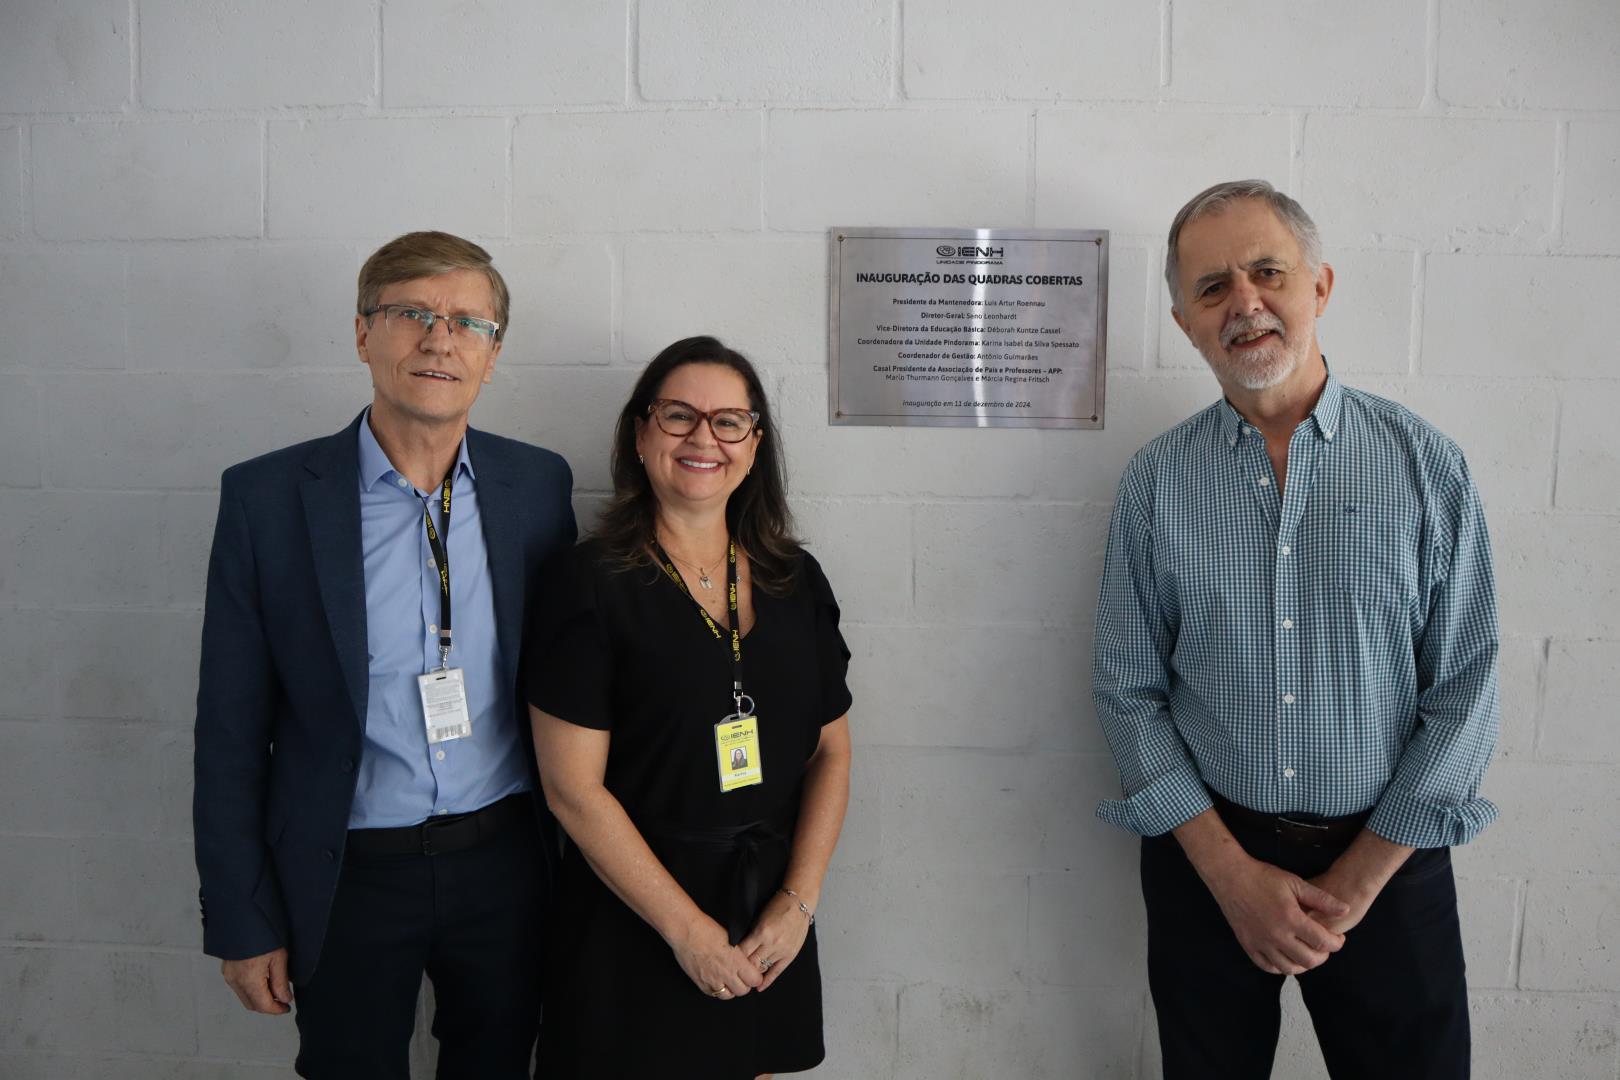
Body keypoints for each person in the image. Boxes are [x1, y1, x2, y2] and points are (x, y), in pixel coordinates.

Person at [1092, 180, 1499, 1078]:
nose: (1244, 302)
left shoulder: (1425, 466)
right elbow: (1126, 689)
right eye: (1211, 288)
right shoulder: (1158, 483)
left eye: (1267, 271)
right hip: (1210, 865)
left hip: (1389, 864)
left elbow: (1467, 689)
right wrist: (1233, 878)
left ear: (1319, 286)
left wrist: (1355, 885)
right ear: (1186, 322)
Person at [193, 231, 576, 1078]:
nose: (440, 338)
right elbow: (227, 729)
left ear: (493, 354)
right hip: (349, 870)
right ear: (364, 335)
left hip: (506, 862)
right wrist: (241, 916)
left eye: (467, 322)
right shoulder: (268, 500)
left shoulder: (538, 487)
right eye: (412, 314)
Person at [526, 336, 853, 1079]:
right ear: (641, 436)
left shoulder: (795, 580)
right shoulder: (587, 584)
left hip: (768, 912)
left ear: (755, 443)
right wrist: (690, 935)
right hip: (633, 916)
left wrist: (797, 905)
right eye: (678, 416)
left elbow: (831, 751)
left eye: (729, 421)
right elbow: (571, 791)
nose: (704, 437)